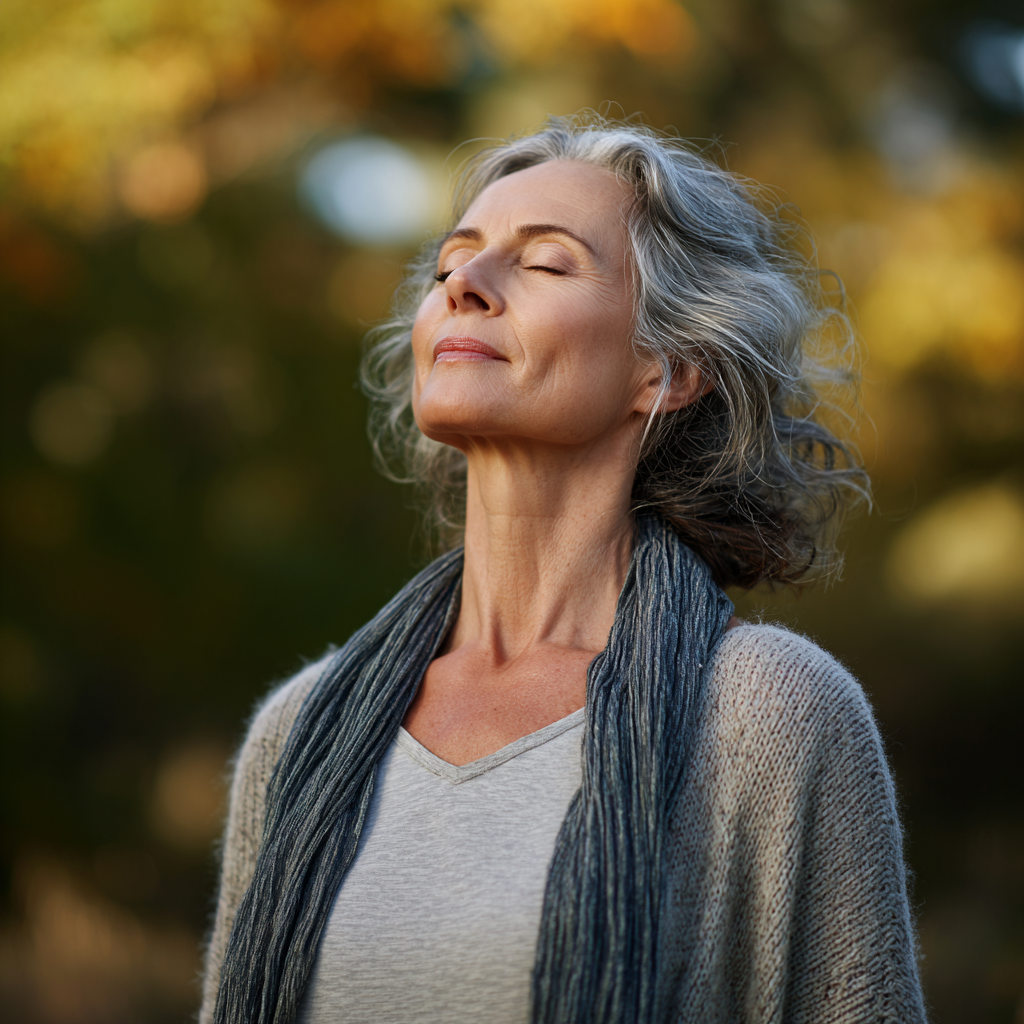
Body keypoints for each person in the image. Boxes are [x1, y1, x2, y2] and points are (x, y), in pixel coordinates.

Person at [200, 116, 927, 1024]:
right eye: (449, 263)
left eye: (546, 263)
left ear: (670, 369)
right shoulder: (299, 728)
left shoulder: (768, 714)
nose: (463, 283)